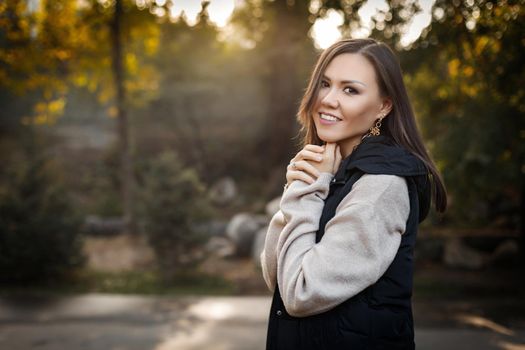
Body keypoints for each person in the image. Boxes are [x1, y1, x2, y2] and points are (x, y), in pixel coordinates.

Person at [260, 38, 447, 350]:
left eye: (350, 90)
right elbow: (276, 277)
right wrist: (298, 188)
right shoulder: (331, 172)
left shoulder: (382, 184)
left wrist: (306, 194)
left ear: (383, 106)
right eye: (325, 84)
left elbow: (298, 293)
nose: (329, 100)